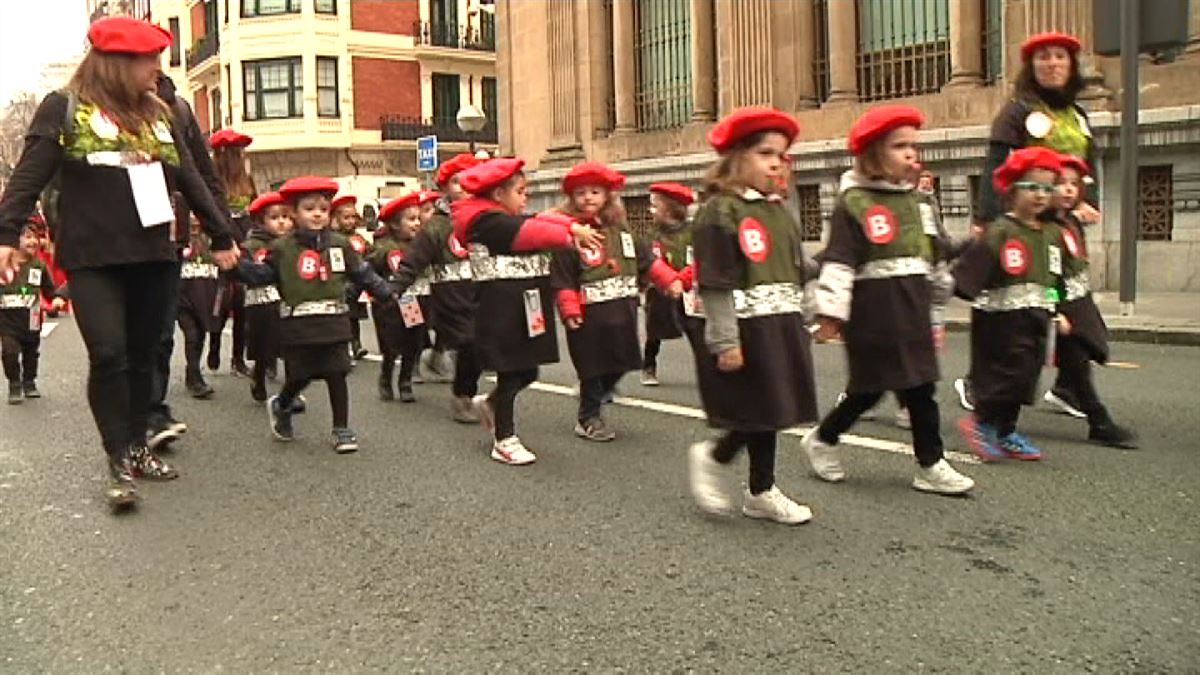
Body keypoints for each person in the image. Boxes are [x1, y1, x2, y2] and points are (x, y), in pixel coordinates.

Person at [0, 16, 240, 510]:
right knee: (109, 354)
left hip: (154, 254)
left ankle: (136, 444)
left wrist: (221, 233)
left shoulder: (161, 113)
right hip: (93, 259)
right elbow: (28, 177)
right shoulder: (63, 110)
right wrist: (5, 235)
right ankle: (117, 460)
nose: (157, 68)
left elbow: (189, 176)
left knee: (144, 354)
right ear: (116, 64)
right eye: (148, 59)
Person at [803, 105, 975, 496]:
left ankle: (930, 464)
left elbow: (932, 252)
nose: (912, 154)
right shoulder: (855, 203)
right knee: (868, 391)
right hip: (874, 315)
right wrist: (829, 312)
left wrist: (944, 283)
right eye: (900, 146)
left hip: (913, 311)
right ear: (874, 153)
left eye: (914, 146)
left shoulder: (918, 203)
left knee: (921, 388)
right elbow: (839, 261)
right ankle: (823, 438)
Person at [684, 107, 818, 525]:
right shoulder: (721, 212)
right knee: (757, 409)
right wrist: (725, 341)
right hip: (744, 329)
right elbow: (716, 282)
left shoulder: (778, 210)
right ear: (737, 158)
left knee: (775, 409)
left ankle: (761, 491)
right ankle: (714, 456)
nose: (777, 163)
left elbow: (793, 269)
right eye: (765, 153)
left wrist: (816, 309)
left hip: (780, 325)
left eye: (781, 154)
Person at [955, 30, 1097, 412]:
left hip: (1064, 225)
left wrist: (1087, 200)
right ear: (1032, 67)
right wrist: (986, 219)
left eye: (1059, 57)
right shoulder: (1018, 111)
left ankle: (1069, 386)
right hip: (1021, 223)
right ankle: (978, 381)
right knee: (1011, 309)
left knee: (1072, 300)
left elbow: (1085, 168)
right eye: (1043, 58)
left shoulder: (1077, 116)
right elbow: (995, 167)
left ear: (1071, 65)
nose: (1052, 64)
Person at [450, 158, 602, 465]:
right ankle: (504, 438)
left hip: (523, 303)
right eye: (519, 191)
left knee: (528, 370)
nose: (525, 197)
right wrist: (570, 232)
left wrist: (569, 222)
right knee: (509, 371)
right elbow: (530, 232)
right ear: (498, 194)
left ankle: (490, 404)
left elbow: (539, 220)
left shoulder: (502, 216)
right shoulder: (486, 221)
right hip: (500, 308)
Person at [237, 176, 395, 453]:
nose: (317, 214)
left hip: (334, 320)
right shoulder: (282, 248)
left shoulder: (339, 244)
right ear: (295, 214)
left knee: (337, 371)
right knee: (301, 374)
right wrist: (235, 268)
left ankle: (341, 428)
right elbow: (265, 275)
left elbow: (361, 272)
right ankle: (283, 403)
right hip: (298, 324)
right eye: (309, 208)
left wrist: (384, 291)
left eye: (323, 208)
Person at [551, 162, 681, 442]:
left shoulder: (621, 230)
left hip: (622, 311)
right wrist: (569, 309)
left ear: (608, 196)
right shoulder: (569, 236)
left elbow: (645, 259)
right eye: (581, 193)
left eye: (595, 192)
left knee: (622, 361)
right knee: (592, 366)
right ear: (571, 198)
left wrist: (669, 280)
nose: (588, 198)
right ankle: (588, 417)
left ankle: (600, 391)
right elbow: (563, 277)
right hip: (588, 317)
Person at [953, 147, 1065, 462]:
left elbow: (1054, 277)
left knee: (1026, 375)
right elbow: (974, 267)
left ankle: (1006, 430)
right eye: (1032, 187)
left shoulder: (1052, 233)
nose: (1041, 195)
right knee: (1002, 374)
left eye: (1048, 188)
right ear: (1013, 189)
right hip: (1000, 318)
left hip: (1036, 316)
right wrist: (957, 285)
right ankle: (983, 424)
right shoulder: (1002, 229)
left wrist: (1057, 307)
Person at [145, 72, 227, 453]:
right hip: (111, 241)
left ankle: (153, 412)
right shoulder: (88, 105)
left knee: (161, 334)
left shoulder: (176, 109)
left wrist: (221, 231)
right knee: (117, 343)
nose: (149, 66)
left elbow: (199, 173)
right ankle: (126, 421)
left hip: (166, 237)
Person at [1044, 155, 1137, 448]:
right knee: (1075, 361)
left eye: (1074, 184)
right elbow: (1045, 278)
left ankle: (1067, 394)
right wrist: (1054, 310)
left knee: (1080, 358)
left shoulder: (1071, 222)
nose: (1069, 190)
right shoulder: (1045, 229)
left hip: (1079, 304)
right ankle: (1099, 420)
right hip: (1062, 310)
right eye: (1061, 183)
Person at [386, 154, 484, 421]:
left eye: (470, 179)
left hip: (482, 295)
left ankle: (443, 360)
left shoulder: (487, 220)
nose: (463, 186)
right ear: (444, 189)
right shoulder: (437, 227)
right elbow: (414, 259)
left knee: (482, 347)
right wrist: (395, 287)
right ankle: (462, 396)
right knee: (469, 342)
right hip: (450, 299)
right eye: (456, 181)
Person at [367, 191, 430, 403]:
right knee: (392, 345)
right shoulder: (384, 247)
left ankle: (405, 381)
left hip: (411, 301)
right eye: (410, 219)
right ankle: (386, 376)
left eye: (418, 219)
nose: (416, 224)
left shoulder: (421, 245)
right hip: (390, 304)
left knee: (412, 342)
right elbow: (369, 271)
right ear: (394, 224)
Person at [208, 128, 256, 378]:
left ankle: (238, 357)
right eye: (235, 152)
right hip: (221, 242)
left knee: (242, 304)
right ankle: (214, 344)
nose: (240, 157)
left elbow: (256, 212)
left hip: (245, 243)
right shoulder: (213, 182)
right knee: (221, 301)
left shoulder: (249, 180)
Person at [2, 223, 65, 404]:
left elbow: (49, 290)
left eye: (35, 237)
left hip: (32, 319)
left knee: (31, 352)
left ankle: (29, 382)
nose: (33, 241)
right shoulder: (4, 265)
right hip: (8, 321)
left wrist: (56, 300)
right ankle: (14, 383)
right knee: (10, 352)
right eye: (27, 237)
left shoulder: (39, 266)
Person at [640, 182, 696, 387]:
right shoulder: (653, 234)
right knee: (654, 331)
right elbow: (650, 259)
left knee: (695, 328)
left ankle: (706, 367)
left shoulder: (692, 232)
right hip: (660, 289)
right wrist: (666, 279)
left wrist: (683, 279)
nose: (651, 210)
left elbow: (696, 257)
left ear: (670, 208)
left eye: (656, 205)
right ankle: (648, 365)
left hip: (689, 287)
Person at [241, 191, 293, 402]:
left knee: (291, 345)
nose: (282, 222)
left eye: (286, 217)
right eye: (275, 217)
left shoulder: (294, 244)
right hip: (260, 302)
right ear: (261, 221)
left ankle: (291, 390)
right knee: (262, 346)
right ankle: (259, 375)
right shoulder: (253, 246)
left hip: (287, 302)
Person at [176, 217, 220, 399]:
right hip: (182, 300)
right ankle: (195, 378)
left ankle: (192, 371)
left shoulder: (213, 242)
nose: (194, 221)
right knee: (192, 336)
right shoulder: (178, 242)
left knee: (200, 336)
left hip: (204, 299)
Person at [332, 193, 371, 361]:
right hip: (342, 284)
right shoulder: (335, 239)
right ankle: (342, 348)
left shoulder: (359, 239)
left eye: (352, 217)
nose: (350, 221)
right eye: (345, 217)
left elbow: (370, 254)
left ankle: (356, 344)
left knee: (354, 317)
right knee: (342, 318)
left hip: (358, 284)